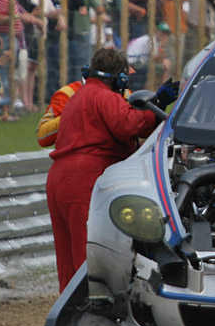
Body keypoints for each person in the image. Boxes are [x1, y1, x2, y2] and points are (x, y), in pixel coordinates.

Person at [45, 48, 166, 296]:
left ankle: (68, 304)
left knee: (67, 253)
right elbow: (128, 125)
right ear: (119, 78)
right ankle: (88, 306)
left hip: (60, 177)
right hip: (84, 177)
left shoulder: (78, 95)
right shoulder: (105, 96)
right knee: (87, 249)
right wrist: (158, 105)